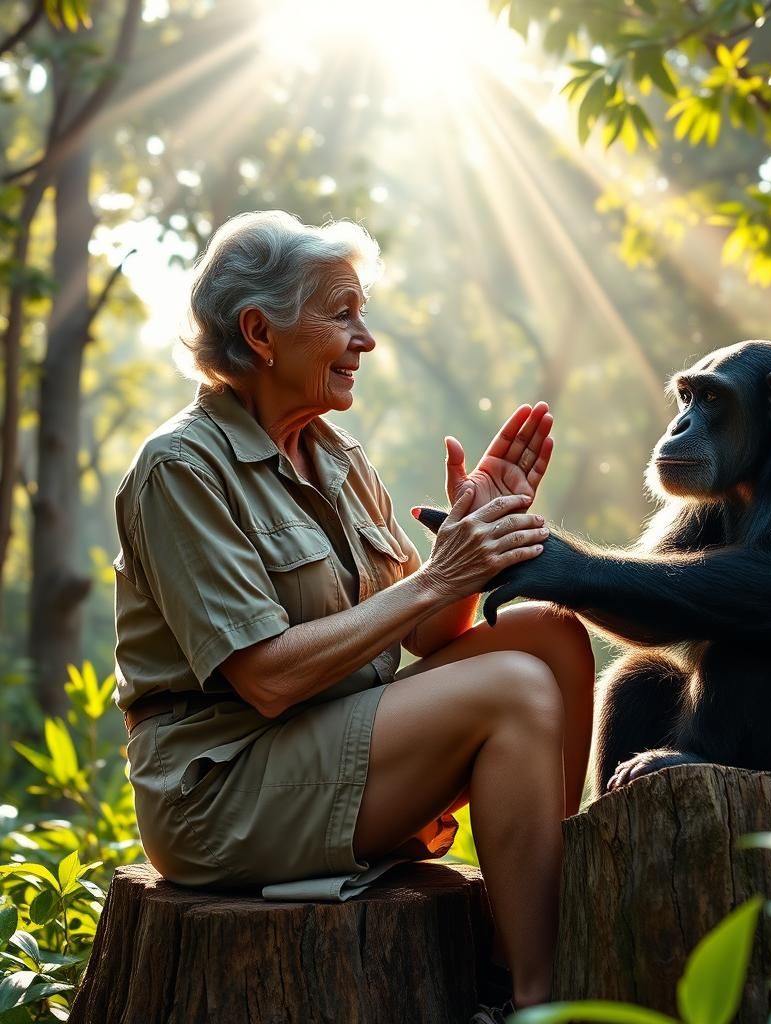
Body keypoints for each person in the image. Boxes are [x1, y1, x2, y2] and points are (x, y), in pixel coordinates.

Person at [112, 210, 596, 1017]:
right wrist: (441, 578)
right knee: (513, 688)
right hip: (222, 785)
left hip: (334, 739)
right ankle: (535, 998)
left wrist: (473, 549)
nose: (365, 339)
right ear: (261, 333)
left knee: (549, 638)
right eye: (341, 314)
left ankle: (545, 919)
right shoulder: (180, 468)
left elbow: (422, 632)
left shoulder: (337, 456)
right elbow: (266, 679)